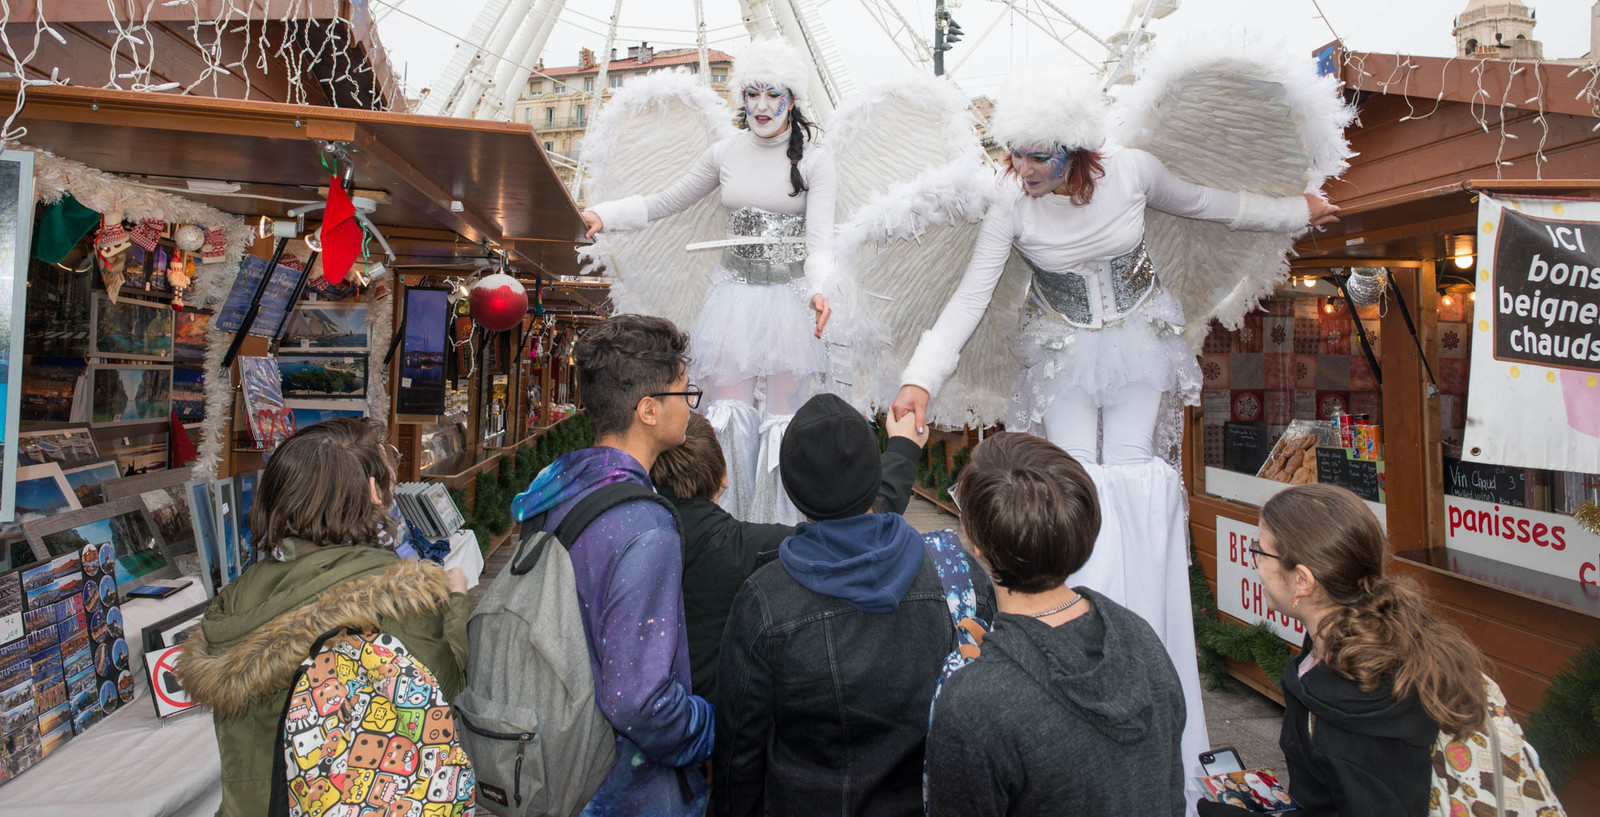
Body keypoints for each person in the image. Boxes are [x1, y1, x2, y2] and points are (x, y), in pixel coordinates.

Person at [890, 69, 1342, 780]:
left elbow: (1212, 204)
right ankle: (1074, 645)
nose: (1023, 168)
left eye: (1039, 155)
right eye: (1015, 152)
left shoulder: (1131, 173)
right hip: (1063, 350)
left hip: (1137, 340)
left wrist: (1294, 208)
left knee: (1134, 475)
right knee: (1071, 486)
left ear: (1076, 150)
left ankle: (1144, 637)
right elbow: (969, 298)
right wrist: (920, 377)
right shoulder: (1011, 202)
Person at [581, 37, 836, 525]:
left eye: (773, 94)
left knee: (782, 422)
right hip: (734, 299)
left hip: (789, 302)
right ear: (740, 96)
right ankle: (725, 527)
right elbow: (664, 201)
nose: (761, 105)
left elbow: (820, 243)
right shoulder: (726, 154)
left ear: (793, 99)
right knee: (727, 418)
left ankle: (780, 532)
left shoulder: (817, 161)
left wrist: (822, 288)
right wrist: (604, 215)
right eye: (752, 93)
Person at [714, 393, 996, 817]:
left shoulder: (764, 602)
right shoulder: (957, 574)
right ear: (873, 476)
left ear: (793, 489)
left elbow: (739, 754)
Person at [176, 418, 472, 817]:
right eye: (390, 470)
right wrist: (454, 602)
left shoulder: (237, 597)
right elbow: (444, 695)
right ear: (372, 492)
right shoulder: (392, 597)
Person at [509, 314, 714, 816]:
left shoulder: (556, 486)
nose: (690, 408)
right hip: (622, 788)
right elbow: (636, 700)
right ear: (648, 409)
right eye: (684, 394)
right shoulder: (646, 527)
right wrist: (708, 726)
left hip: (553, 765)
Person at [924, 432, 1187, 817]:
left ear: (974, 542)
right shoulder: (1139, 637)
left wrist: (995, 676)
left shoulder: (971, 706)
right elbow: (1170, 791)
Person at [1234, 483, 1490, 817]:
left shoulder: (1345, 715)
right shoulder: (1375, 637)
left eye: (1260, 551)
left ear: (1302, 580)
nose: (1255, 563)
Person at [650, 408, 929, 700]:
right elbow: (850, 537)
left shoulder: (628, 535)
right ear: (723, 476)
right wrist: (902, 451)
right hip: (718, 723)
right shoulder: (751, 548)